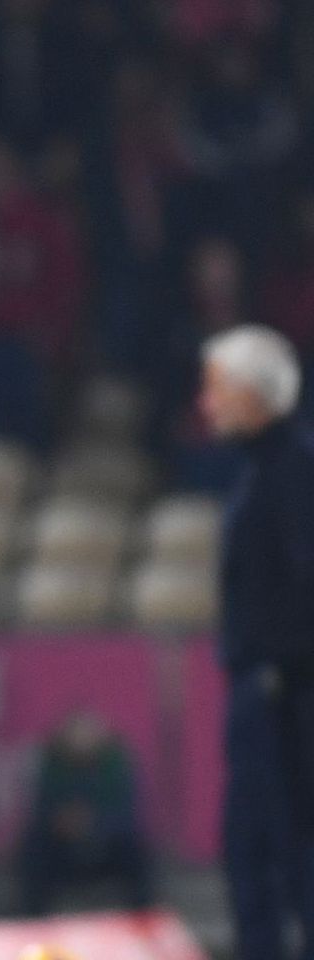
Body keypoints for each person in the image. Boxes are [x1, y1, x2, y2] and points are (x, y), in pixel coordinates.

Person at [200, 324, 314, 960]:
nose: (206, 403)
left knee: (283, 850)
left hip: (284, 695)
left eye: (216, 388)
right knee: (255, 851)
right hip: (269, 687)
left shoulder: (294, 469)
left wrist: (283, 669)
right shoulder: (267, 468)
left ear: (252, 393)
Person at [16, 710, 152, 916]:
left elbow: (128, 816)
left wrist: (95, 824)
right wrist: (62, 823)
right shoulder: (52, 768)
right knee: (33, 849)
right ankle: (33, 918)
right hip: (62, 849)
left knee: (136, 850)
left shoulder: (115, 767)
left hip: (108, 848)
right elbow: (40, 812)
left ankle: (144, 918)